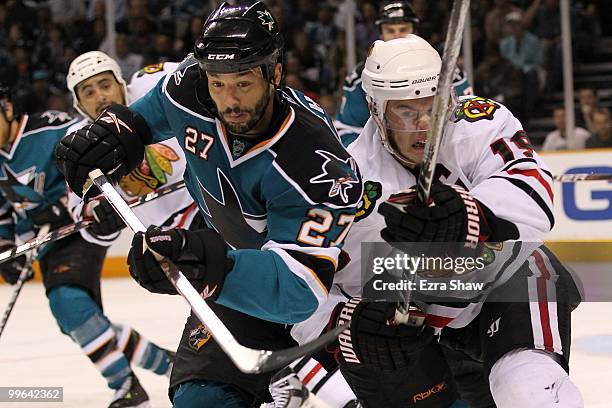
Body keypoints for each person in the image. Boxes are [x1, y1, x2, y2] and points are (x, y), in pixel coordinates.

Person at [54, 2, 362, 407]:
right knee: (202, 399)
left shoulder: (313, 160)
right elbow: (152, 115)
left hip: (331, 286)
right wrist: (119, 132)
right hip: (240, 264)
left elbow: (298, 291)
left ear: (275, 73)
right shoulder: (190, 87)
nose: (229, 101)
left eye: (243, 83)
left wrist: (211, 265)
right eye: (218, 84)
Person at [295, 36, 583, 408]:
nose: (426, 123)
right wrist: (346, 321)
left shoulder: (479, 123)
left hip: (503, 285)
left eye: (433, 105)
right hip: (421, 327)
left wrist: (470, 216)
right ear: (375, 109)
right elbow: (309, 282)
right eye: (406, 111)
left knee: (530, 389)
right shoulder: (346, 179)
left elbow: (534, 189)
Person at [0, 76, 174, 408]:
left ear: (7, 108)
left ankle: (126, 388)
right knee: (82, 323)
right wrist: (6, 249)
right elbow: (3, 210)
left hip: (82, 228)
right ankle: (169, 364)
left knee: (69, 304)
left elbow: (88, 160)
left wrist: (64, 205)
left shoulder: (50, 129)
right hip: (46, 243)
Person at [335, 0, 473, 146]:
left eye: (403, 29)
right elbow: (347, 132)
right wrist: (382, 155)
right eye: (390, 31)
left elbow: (466, 123)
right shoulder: (362, 78)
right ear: (381, 34)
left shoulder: (446, 72)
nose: (397, 36)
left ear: (415, 32)